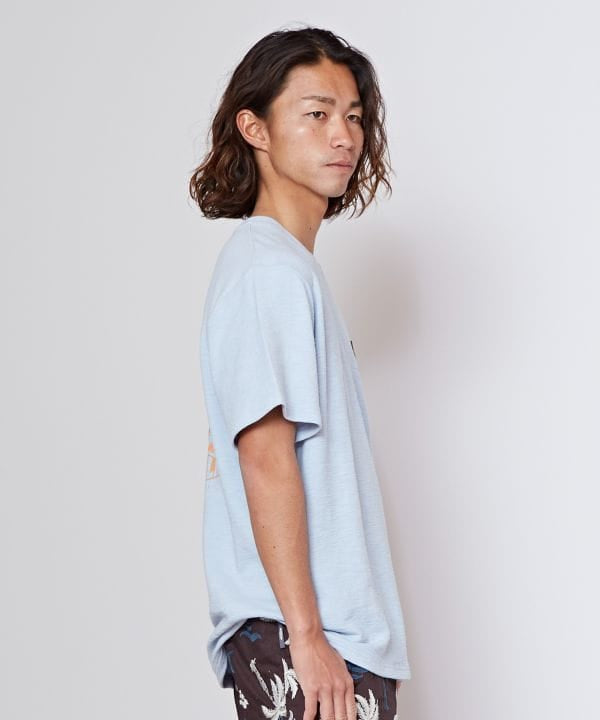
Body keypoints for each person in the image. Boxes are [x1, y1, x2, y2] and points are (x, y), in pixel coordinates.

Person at [189, 25, 411, 720]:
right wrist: (309, 637)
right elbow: (264, 455)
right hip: (308, 638)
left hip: (324, 635)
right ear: (254, 128)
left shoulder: (287, 269)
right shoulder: (268, 272)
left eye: (354, 117)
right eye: (316, 114)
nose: (343, 136)